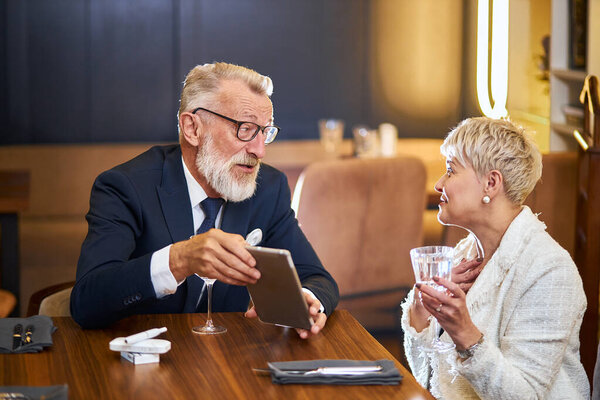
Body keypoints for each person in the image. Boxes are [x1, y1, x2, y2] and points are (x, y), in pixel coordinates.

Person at [70, 62, 339, 337]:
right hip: (141, 361)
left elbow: (317, 278)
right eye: (245, 129)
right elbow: (87, 302)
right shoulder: (126, 187)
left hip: (228, 363)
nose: (259, 151)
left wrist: (307, 300)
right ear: (192, 128)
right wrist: (179, 260)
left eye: (265, 132)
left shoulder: (269, 188)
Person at [401, 117, 589, 399]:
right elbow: (429, 378)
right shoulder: (466, 253)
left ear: (491, 183)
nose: (440, 183)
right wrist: (421, 309)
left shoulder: (551, 271)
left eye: (451, 171)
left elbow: (524, 395)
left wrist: (465, 334)